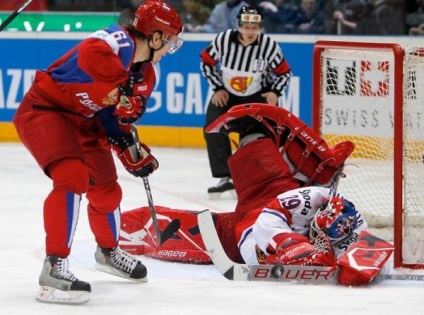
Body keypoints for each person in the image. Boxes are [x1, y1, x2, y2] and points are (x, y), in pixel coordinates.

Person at [12, 0, 183, 305]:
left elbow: (113, 119)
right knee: (72, 176)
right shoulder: (117, 42)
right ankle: (54, 266)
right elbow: (91, 52)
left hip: (86, 121)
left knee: (107, 190)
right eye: (169, 40)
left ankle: (108, 252)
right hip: (47, 109)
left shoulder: (147, 77)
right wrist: (120, 85)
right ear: (156, 37)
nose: (170, 48)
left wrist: (128, 148)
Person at [120, 104, 393, 286]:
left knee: (221, 231)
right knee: (232, 226)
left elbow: (367, 256)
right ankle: (116, 230)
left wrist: (354, 265)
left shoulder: (346, 217)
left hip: (260, 213)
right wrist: (297, 250)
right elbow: (265, 226)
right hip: (259, 216)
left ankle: (118, 228)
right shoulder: (301, 201)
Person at [200, 6, 292, 197]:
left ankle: (253, 179)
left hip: (257, 96)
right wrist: (217, 88)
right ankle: (225, 177)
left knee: (258, 136)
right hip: (227, 96)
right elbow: (206, 62)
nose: (250, 31)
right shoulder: (223, 40)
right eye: (246, 27)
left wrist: (275, 92)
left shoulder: (269, 46)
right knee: (212, 127)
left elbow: (284, 73)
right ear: (239, 26)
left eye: (254, 27)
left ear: (260, 27)